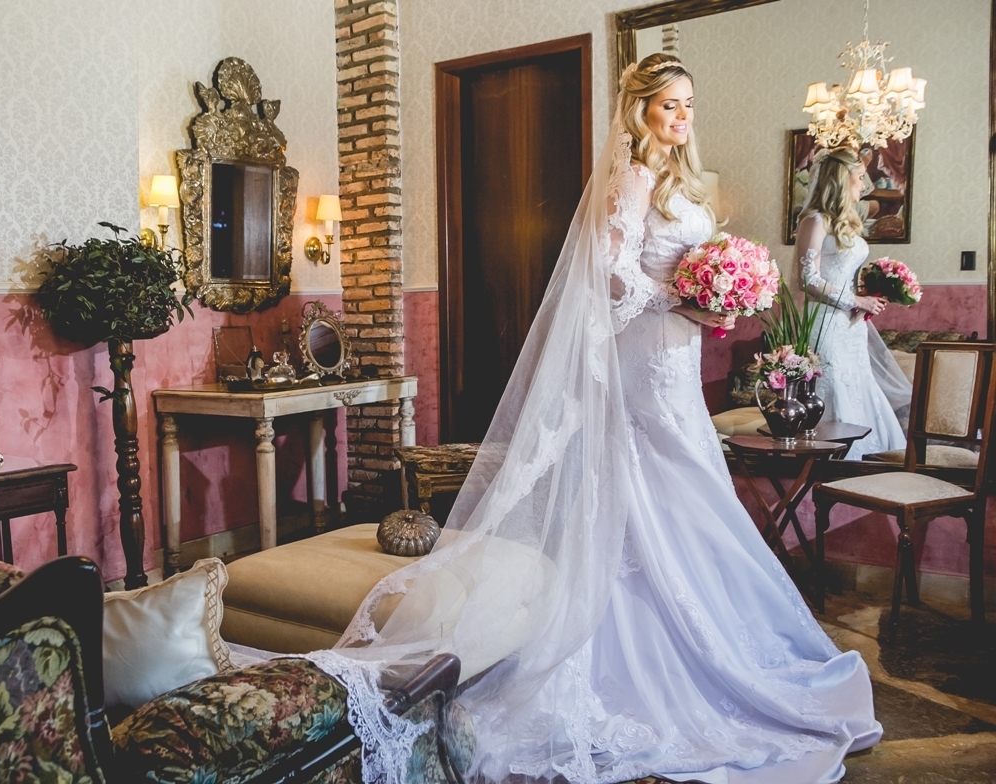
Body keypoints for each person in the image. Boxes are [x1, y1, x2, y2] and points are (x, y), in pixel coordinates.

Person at [309, 54, 882, 784]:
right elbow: (609, 273)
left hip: (676, 353)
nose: (682, 117)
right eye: (669, 105)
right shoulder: (632, 177)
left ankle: (712, 628)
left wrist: (723, 288)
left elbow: (674, 263)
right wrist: (682, 298)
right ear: (640, 110)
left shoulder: (681, 180)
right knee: (658, 475)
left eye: (689, 104)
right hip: (646, 355)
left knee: (687, 481)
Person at [796, 147, 911, 458]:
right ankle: (834, 461)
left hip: (851, 325)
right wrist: (854, 300)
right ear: (841, 178)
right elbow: (807, 279)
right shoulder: (815, 221)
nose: (864, 184)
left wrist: (866, 297)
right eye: (860, 177)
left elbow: (843, 274)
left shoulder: (846, 222)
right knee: (834, 386)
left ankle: (870, 459)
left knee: (858, 384)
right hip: (825, 323)